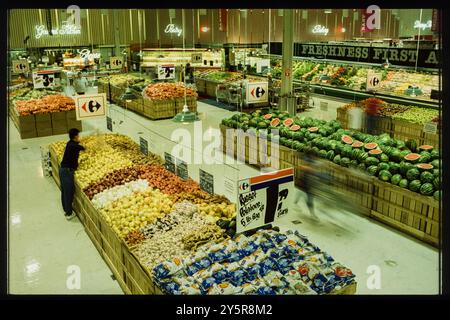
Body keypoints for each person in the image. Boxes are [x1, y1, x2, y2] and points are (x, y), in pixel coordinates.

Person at [59, 128, 86, 220]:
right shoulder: (74, 146)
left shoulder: (70, 143)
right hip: (67, 171)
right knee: (68, 192)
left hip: (63, 169)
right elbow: (84, 148)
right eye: (79, 135)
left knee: (64, 191)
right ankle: (68, 213)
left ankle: (66, 209)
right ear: (76, 136)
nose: (80, 137)